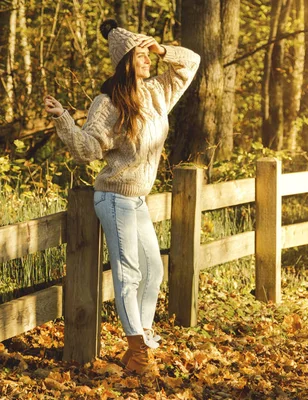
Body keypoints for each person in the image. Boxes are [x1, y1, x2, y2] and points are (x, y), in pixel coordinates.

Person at [44, 19, 200, 373]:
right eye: (142, 54)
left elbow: (191, 62)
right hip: (114, 199)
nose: (149, 59)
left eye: (149, 53)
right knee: (128, 274)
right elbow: (87, 150)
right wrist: (65, 119)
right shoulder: (108, 103)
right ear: (127, 59)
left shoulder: (158, 91)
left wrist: (161, 49)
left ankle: (138, 344)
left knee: (154, 270)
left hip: (138, 200)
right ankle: (139, 351)